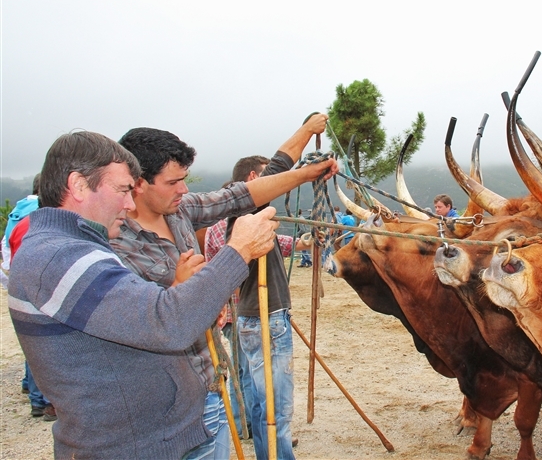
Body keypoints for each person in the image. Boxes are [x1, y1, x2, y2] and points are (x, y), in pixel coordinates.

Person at [8, 131, 280, 459]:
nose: (128, 202)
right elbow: (167, 323)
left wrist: (195, 297)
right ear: (79, 185)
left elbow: (145, 317)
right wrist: (239, 250)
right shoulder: (61, 257)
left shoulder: (68, 248)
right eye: (123, 190)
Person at [110, 116, 333, 460]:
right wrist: (187, 289)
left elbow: (240, 195)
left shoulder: (180, 211)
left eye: (184, 180)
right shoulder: (116, 243)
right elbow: (152, 320)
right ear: (137, 183)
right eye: (174, 182)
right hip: (164, 404)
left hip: (209, 381)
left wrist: (307, 174)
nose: (184, 189)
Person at [225, 131, 331, 460]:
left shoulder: (251, 222)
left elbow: (286, 244)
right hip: (265, 318)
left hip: (257, 317)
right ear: (254, 180)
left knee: (262, 403)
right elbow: (277, 174)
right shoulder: (245, 212)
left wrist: (309, 239)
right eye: (269, 178)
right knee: (277, 412)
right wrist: (310, 136)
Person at [1, 174, 55, 421]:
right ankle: (42, 401)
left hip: (19, 284)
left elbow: (8, 253)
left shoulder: (19, 217)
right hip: (40, 286)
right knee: (44, 344)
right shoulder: (40, 222)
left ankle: (31, 390)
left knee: (31, 342)